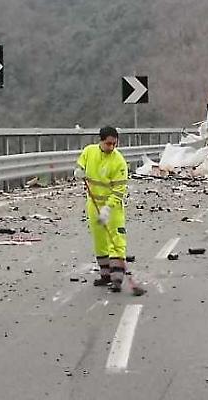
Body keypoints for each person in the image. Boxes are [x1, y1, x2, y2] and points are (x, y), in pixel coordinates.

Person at [75, 126, 141, 294]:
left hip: (113, 207)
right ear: (101, 141)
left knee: (116, 240)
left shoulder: (119, 162)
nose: (111, 147)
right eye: (108, 144)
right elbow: (81, 163)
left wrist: (108, 208)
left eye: (114, 144)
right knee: (100, 241)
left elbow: (119, 190)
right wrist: (79, 170)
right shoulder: (89, 151)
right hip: (93, 204)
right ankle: (105, 275)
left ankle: (117, 279)